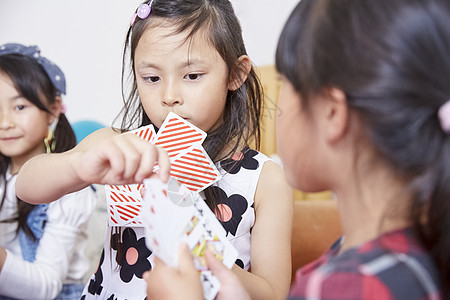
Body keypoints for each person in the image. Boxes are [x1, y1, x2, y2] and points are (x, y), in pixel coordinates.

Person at [143, 0, 450, 299]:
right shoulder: (397, 256)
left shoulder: (344, 285)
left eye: (285, 83)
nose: (170, 97)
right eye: (152, 78)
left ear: (331, 113)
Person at [15, 0, 294, 299]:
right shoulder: (121, 146)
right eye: (151, 78)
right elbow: (26, 184)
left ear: (235, 74)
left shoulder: (264, 179)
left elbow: (273, 293)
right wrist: (78, 166)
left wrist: (206, 254)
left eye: (192, 75)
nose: (169, 96)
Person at [0, 44, 97, 299]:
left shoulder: (68, 186)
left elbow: (46, 288)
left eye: (19, 107)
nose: (5, 122)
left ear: (53, 109)